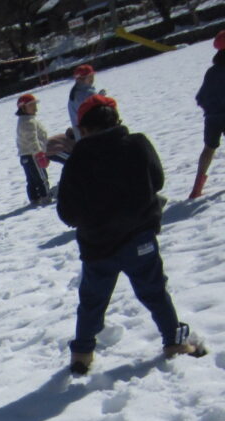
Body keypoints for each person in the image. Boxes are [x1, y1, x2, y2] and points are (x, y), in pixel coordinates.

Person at [57, 95, 207, 375]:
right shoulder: (138, 144)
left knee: (92, 301)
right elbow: (157, 180)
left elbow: (67, 213)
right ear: (116, 119)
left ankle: (81, 355)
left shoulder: (78, 159)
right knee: (155, 291)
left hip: (98, 247)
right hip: (139, 239)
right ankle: (174, 343)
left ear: (84, 129)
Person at [189, 30, 225, 199]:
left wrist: (211, 110)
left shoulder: (212, 72)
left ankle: (197, 186)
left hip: (212, 118)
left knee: (208, 149)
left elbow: (200, 97)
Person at [15, 94, 52, 205]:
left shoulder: (25, 120)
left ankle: (34, 198)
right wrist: (39, 153)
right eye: (31, 105)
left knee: (31, 179)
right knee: (41, 177)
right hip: (33, 155)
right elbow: (32, 139)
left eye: (35, 104)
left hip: (25, 155)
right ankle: (46, 196)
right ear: (23, 108)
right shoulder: (28, 122)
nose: (35, 107)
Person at [67, 64, 105, 137]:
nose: (92, 79)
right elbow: (95, 113)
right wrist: (100, 99)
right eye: (90, 76)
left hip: (81, 136)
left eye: (92, 76)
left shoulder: (74, 93)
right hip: (92, 135)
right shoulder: (86, 93)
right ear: (81, 79)